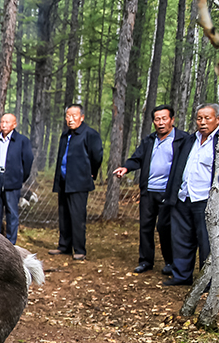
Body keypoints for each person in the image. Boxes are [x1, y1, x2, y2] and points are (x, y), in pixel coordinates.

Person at [113, 105, 187, 275]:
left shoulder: (182, 140)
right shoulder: (149, 140)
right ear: (153, 122)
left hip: (169, 192)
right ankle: (146, 261)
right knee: (145, 227)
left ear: (172, 120)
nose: (160, 122)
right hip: (148, 191)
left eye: (164, 118)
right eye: (157, 119)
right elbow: (137, 158)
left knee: (165, 227)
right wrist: (125, 168)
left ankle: (170, 262)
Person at [162, 103, 219, 286]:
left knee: (206, 241)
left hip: (206, 200)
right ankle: (181, 276)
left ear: (217, 119)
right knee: (181, 239)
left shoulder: (217, 142)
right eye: (199, 118)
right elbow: (177, 168)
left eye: (207, 118)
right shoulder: (189, 140)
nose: (202, 122)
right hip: (183, 197)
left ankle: (207, 281)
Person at [49, 104, 104, 260]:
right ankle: (64, 246)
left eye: (74, 116)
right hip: (63, 181)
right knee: (63, 214)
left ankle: (79, 249)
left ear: (82, 117)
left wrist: (90, 172)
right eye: (68, 116)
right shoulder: (65, 135)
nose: (70, 119)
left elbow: (97, 157)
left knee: (77, 216)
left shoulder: (90, 134)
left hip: (79, 182)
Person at [0, 113, 33, 243]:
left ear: (14, 124)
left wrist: (20, 177)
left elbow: (28, 160)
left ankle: (10, 242)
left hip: (12, 178)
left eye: (7, 122)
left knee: (11, 212)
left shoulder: (22, 141)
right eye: (2, 122)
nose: (4, 125)